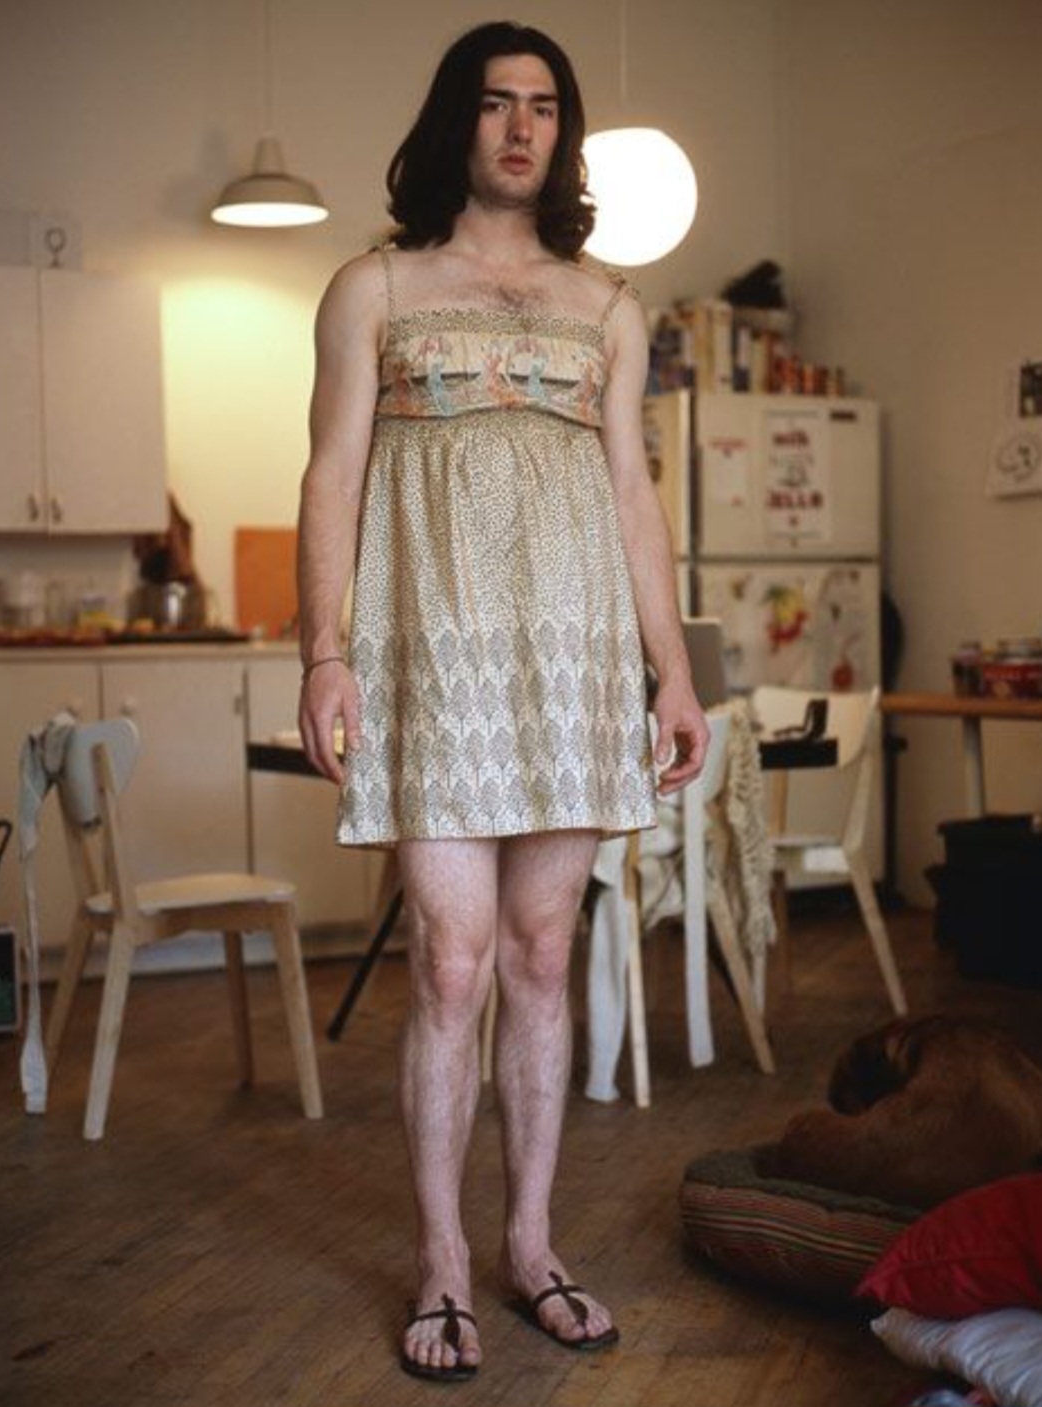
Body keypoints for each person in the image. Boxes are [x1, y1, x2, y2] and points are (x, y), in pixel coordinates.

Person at [297, 20, 709, 1382]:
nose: (522, 127)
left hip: (574, 662)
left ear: (563, 133)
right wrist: (322, 653)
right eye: (495, 103)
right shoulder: (374, 286)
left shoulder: (607, 307)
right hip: (428, 660)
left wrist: (673, 669)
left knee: (540, 958)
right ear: (454, 122)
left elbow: (634, 495)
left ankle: (530, 1248)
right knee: (452, 963)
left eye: (543, 106)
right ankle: (441, 1263)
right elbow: (331, 475)